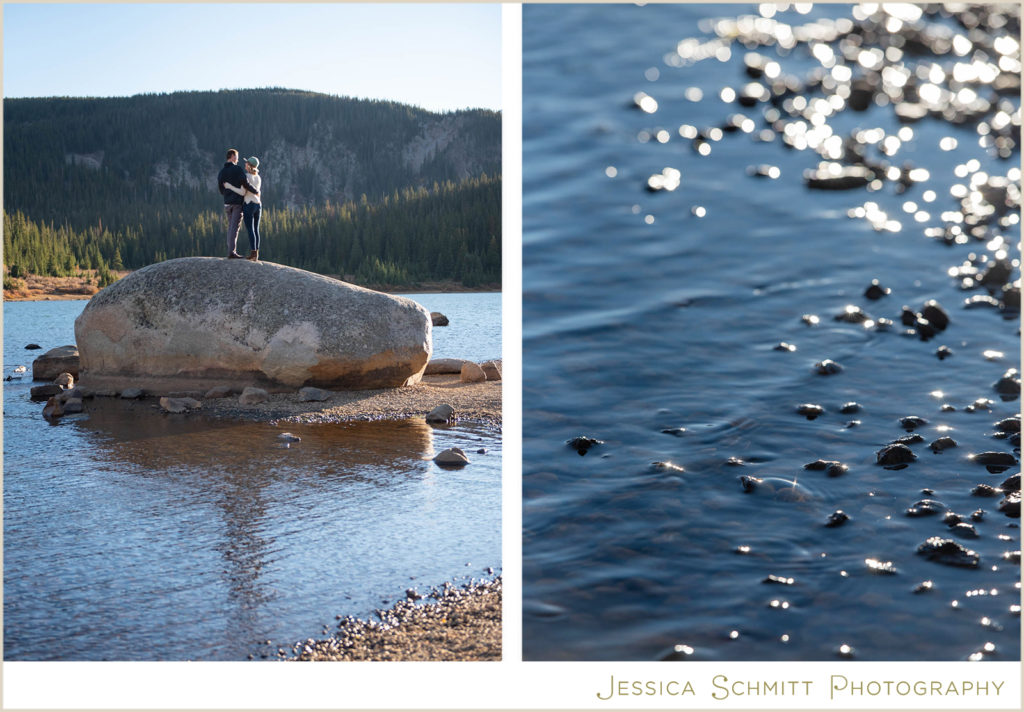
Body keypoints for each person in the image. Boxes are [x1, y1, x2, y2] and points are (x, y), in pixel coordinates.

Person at [216, 149, 259, 259]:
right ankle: (231, 252)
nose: (238, 159)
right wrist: (255, 191)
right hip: (237, 203)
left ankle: (231, 250)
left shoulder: (222, 172)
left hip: (227, 203)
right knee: (234, 227)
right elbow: (245, 184)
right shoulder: (237, 169)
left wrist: (227, 192)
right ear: (232, 156)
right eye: (237, 156)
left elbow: (221, 188)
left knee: (230, 226)